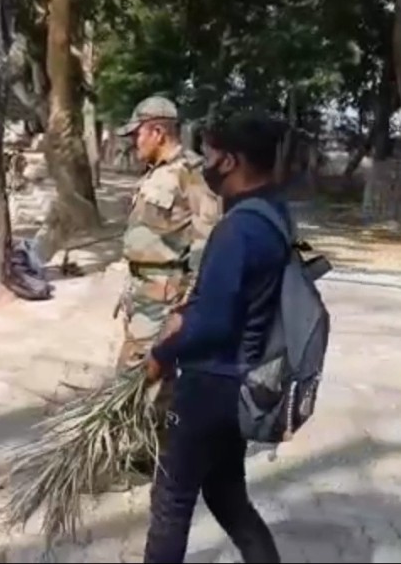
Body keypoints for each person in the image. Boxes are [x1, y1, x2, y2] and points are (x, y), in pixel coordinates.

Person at [142, 113, 287, 563]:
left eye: (208, 153)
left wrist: (162, 352)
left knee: (171, 501)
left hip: (211, 383)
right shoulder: (275, 212)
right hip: (245, 378)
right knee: (226, 494)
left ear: (230, 161)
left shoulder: (237, 229)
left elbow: (214, 323)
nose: (203, 162)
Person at [113, 95, 222, 466]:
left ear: (158, 131)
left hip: (164, 299)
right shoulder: (155, 172)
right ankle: (162, 452)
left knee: (137, 378)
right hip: (141, 294)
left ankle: (144, 456)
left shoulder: (191, 172)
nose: (133, 142)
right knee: (155, 380)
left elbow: (208, 241)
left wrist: (186, 304)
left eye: (137, 134)